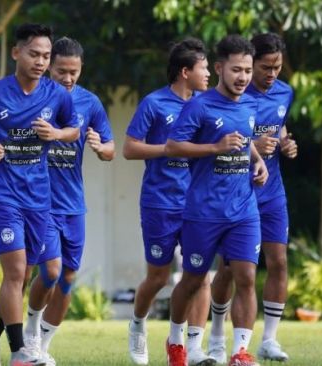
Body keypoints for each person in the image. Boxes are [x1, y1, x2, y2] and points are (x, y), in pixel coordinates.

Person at [0, 23, 79, 366]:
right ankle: (20, 353)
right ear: (17, 53)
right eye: (34, 54)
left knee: (26, 275)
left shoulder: (57, 95)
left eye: (46, 56)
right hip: (3, 195)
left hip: (39, 197)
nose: (41, 61)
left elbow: (73, 130)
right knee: (14, 273)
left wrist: (56, 133)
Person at [163, 34, 268, 366]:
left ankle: (240, 353)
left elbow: (245, 138)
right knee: (194, 279)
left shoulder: (251, 104)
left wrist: (257, 161)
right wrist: (214, 148)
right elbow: (173, 147)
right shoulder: (199, 105)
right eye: (237, 69)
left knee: (246, 277)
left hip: (243, 209)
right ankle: (176, 342)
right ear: (220, 68)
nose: (243, 77)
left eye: (248, 70)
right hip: (204, 211)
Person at [22, 36, 115, 366]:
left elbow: (110, 150)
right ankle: (30, 333)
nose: (68, 78)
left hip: (73, 204)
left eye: (73, 72)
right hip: (40, 201)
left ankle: (44, 346)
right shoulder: (34, 98)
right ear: (49, 67)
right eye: (61, 71)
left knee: (68, 278)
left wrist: (98, 147)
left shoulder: (89, 103)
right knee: (50, 270)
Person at [123, 37, 215, 366]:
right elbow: (130, 148)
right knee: (159, 278)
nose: (209, 73)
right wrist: (169, 148)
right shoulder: (154, 104)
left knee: (201, 276)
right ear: (185, 71)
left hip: (199, 205)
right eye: (204, 68)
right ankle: (137, 325)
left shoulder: (209, 104)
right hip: (160, 202)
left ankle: (192, 348)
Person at [206, 32, 297, 363]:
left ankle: (269, 340)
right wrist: (251, 147)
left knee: (279, 261)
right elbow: (219, 141)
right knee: (230, 271)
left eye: (277, 67)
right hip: (236, 192)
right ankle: (216, 336)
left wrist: (286, 144)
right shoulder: (235, 96)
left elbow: (280, 129)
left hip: (272, 192)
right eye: (265, 67)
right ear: (249, 63)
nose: (271, 74)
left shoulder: (285, 92)